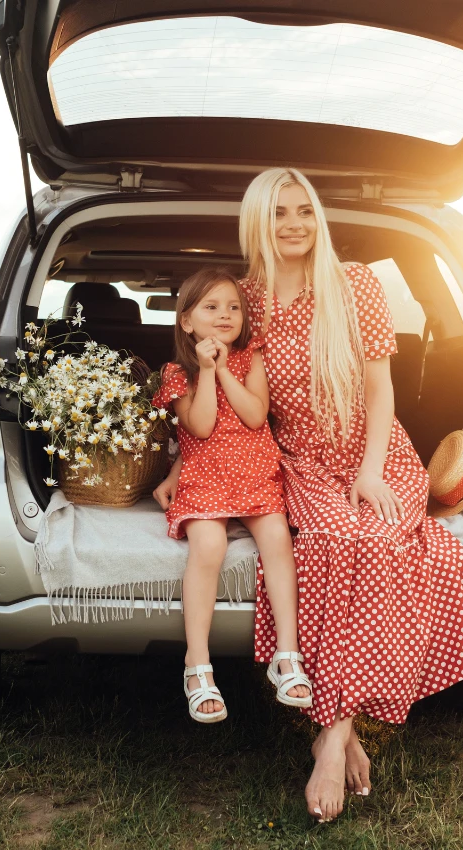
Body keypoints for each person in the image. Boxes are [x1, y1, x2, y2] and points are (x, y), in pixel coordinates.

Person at [157, 169, 463, 821]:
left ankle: (332, 736)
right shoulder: (243, 299)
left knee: (384, 540)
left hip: (373, 451)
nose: (294, 225)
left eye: (304, 211)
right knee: (336, 542)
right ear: (258, 220)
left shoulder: (354, 282)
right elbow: (220, 393)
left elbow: (379, 389)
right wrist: (181, 461)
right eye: (279, 212)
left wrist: (370, 472)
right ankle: (344, 727)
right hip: (300, 458)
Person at [152, 267, 312, 724]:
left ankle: (287, 655)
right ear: (185, 321)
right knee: (209, 546)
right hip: (205, 477)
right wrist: (204, 370)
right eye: (211, 306)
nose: (225, 315)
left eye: (234, 307)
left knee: (279, 541)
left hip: (257, 474)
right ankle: (197, 664)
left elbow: (256, 415)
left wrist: (223, 368)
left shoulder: (251, 358)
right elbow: (200, 426)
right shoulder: (177, 372)